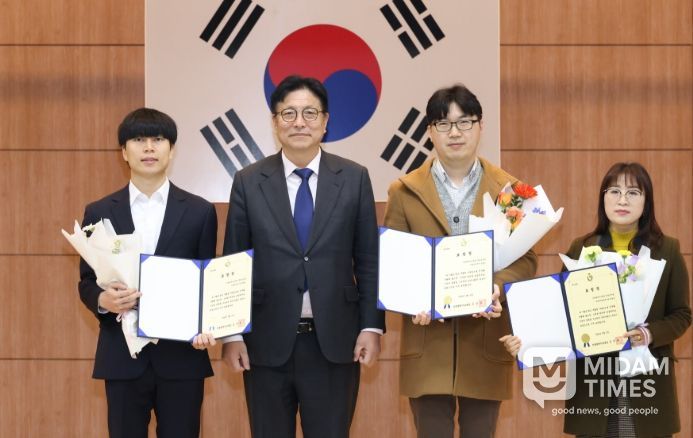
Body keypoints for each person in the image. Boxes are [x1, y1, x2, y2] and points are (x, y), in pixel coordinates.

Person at [221, 75, 384, 438]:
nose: (299, 122)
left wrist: (371, 327)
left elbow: (369, 260)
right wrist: (232, 334)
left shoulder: (354, 178)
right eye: (289, 113)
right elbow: (234, 261)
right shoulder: (248, 180)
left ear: (325, 122)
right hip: (265, 343)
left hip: (335, 343)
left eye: (310, 113)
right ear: (275, 122)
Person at [383, 84, 537, 438]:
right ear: (430, 132)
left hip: (485, 341)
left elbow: (526, 260)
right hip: (427, 344)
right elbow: (394, 264)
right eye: (444, 123)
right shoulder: (403, 191)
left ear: (480, 126)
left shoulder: (510, 191)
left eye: (464, 122)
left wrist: (496, 287)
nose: (455, 132)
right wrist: (412, 300)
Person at [501, 162, 691, 437]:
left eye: (633, 192)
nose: (622, 200)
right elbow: (560, 314)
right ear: (603, 198)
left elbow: (682, 314)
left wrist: (647, 334)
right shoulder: (582, 247)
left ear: (646, 201)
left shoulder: (667, 249)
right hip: (593, 383)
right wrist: (525, 342)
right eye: (614, 191)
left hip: (648, 380)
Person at [78, 108, 218, 438]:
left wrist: (208, 324)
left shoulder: (200, 211)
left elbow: (208, 280)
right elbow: (86, 281)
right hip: (122, 356)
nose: (149, 147)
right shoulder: (99, 211)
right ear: (124, 152)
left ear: (172, 149)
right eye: (139, 140)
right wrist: (103, 301)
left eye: (158, 139)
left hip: (182, 356)